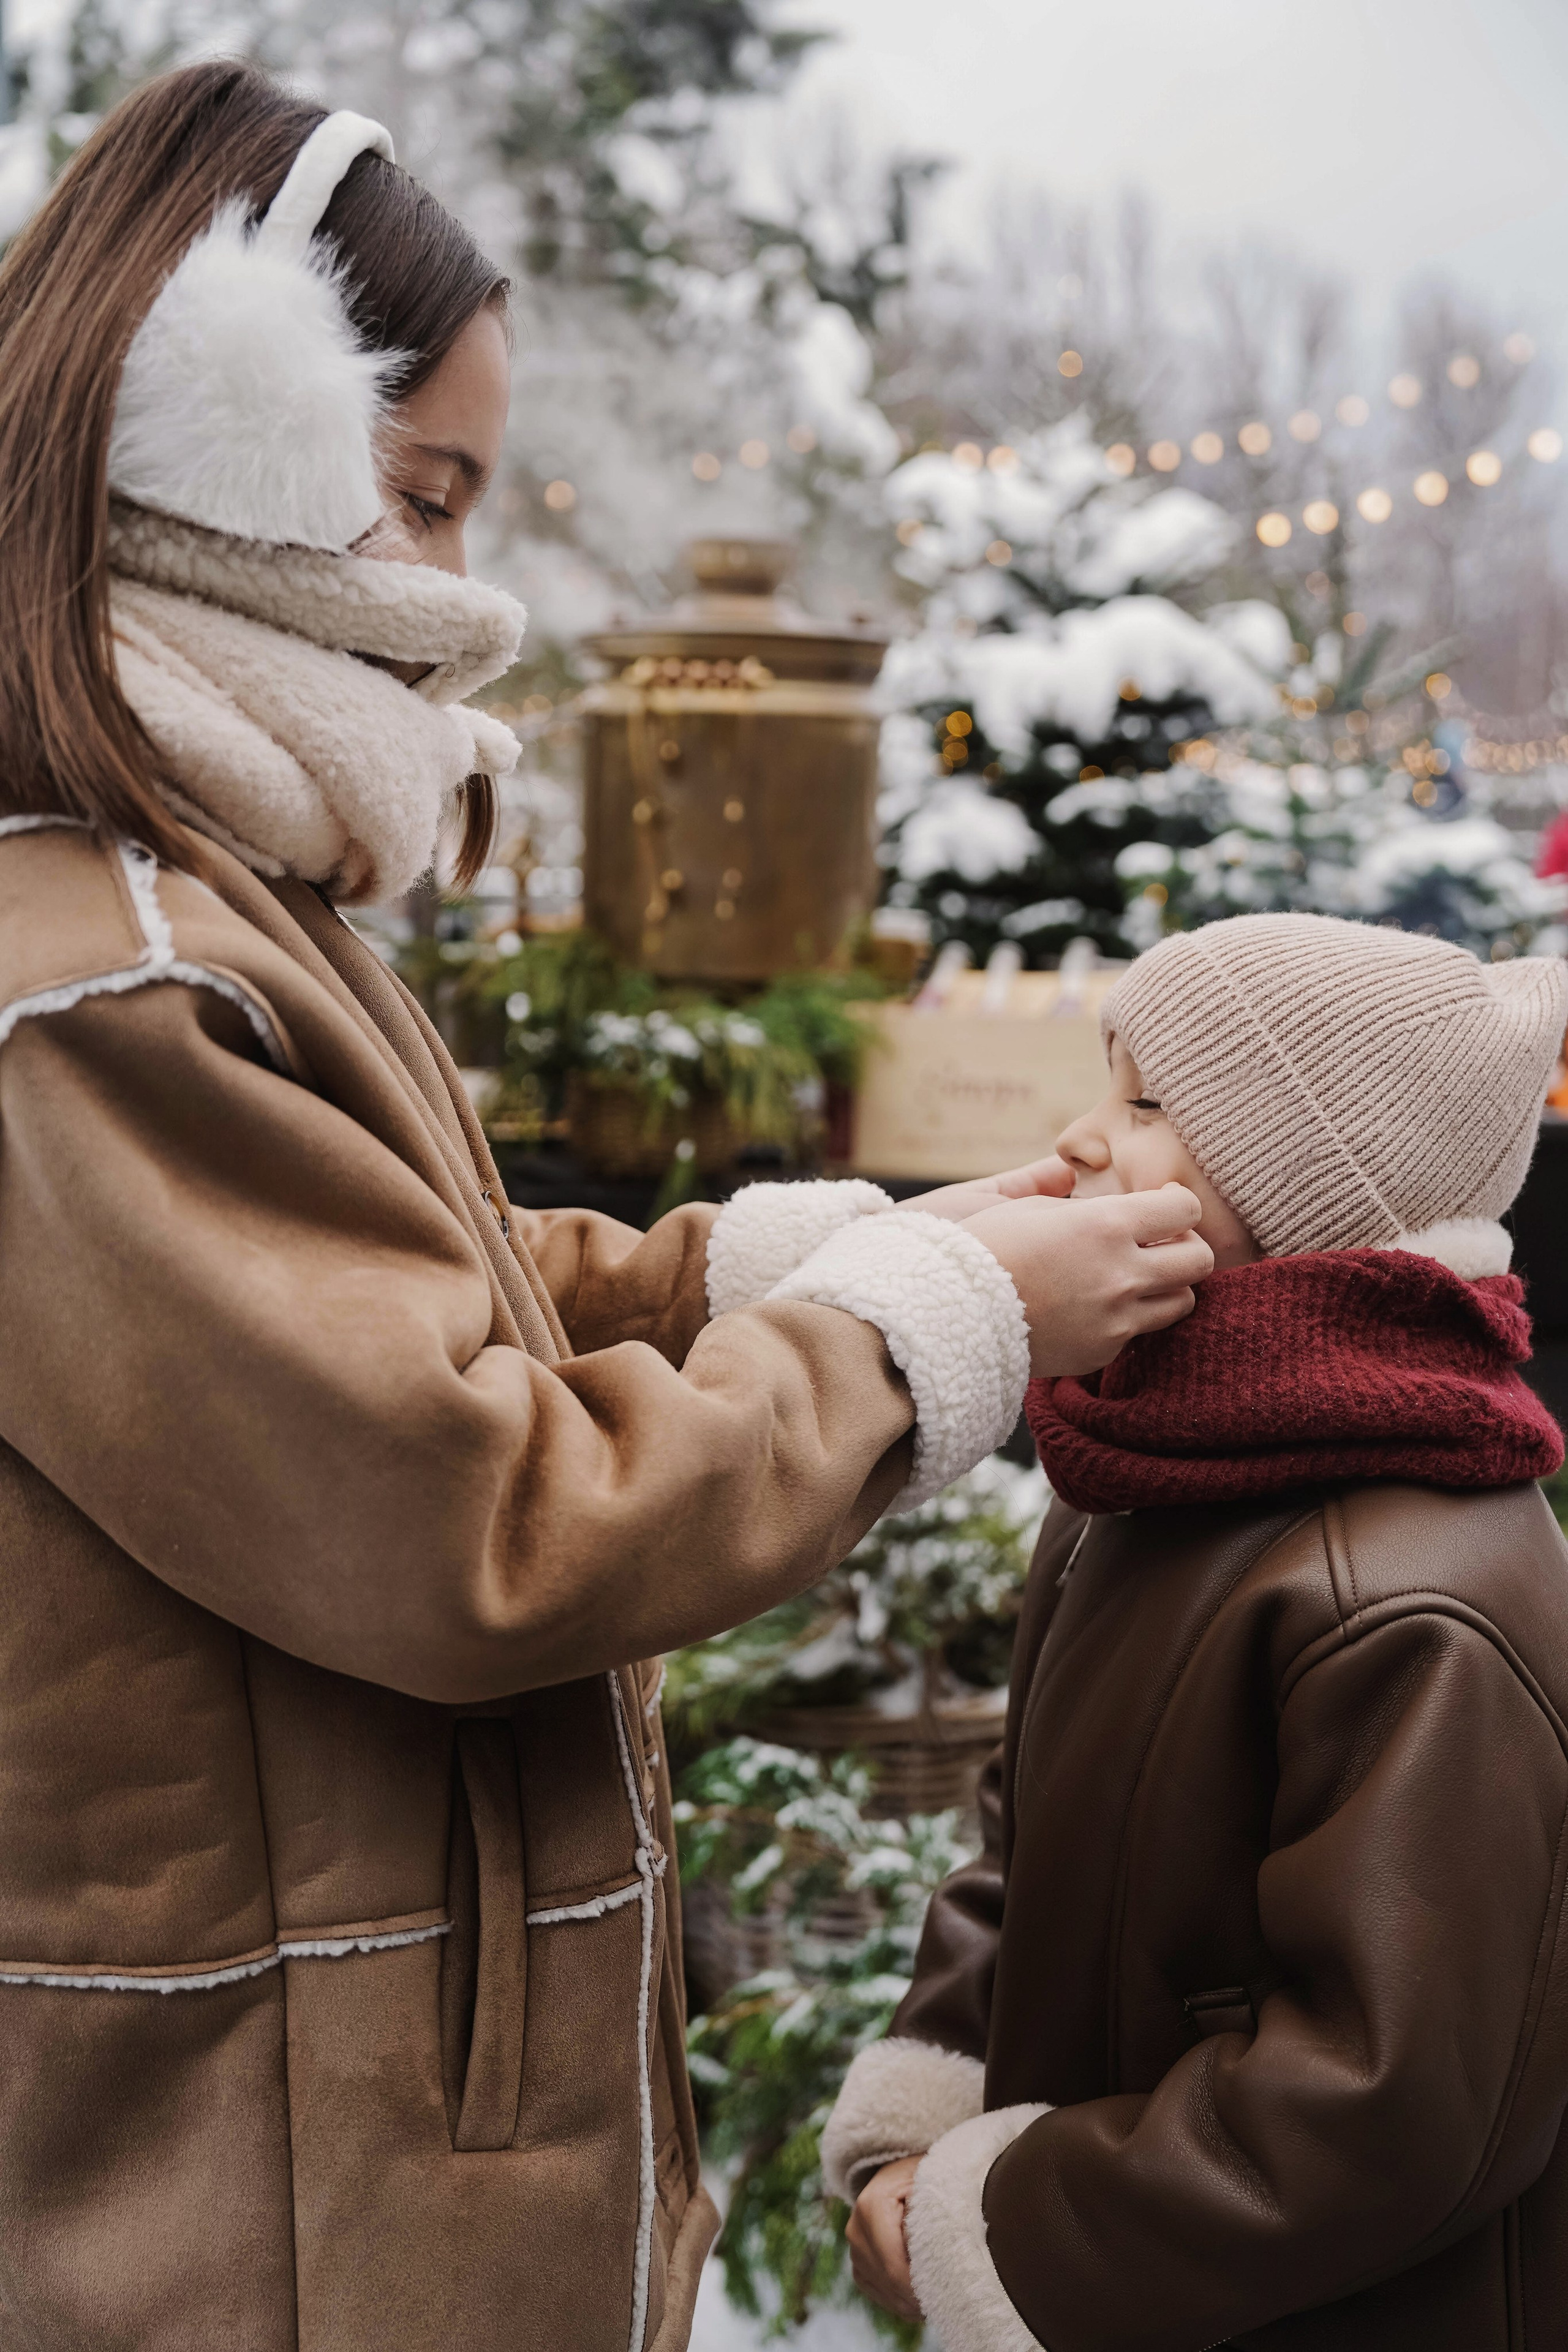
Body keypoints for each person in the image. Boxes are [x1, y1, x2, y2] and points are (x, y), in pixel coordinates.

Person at [0, 62, 1214, 2351]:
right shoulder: (107, 985)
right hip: (260, 2220)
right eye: (422, 497)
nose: (457, 590)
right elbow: (473, 1511)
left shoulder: (203, 906)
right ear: (214, 435)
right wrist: (925, 1323)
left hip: (323, 2156)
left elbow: (404, 1294)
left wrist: (782, 1264)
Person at [826, 910, 1568, 2352]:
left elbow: (1386, 2106)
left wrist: (1011, 2225)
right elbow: (1027, 1843)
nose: (1080, 1137)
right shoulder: (1145, 1484)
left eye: (1149, 1103)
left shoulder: (1404, 1598)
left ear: (1312, 1189)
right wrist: (927, 2102)